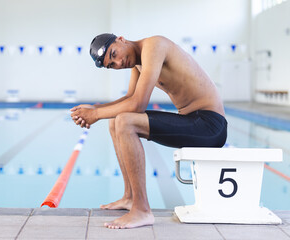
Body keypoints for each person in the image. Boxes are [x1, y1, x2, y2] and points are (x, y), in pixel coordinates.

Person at [70, 33, 227, 229]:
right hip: (193, 120)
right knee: (115, 122)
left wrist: (96, 115)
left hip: (210, 125)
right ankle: (129, 197)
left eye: (114, 54)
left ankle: (142, 209)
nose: (119, 62)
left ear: (121, 39)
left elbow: (138, 104)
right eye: (112, 65)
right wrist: (95, 109)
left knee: (126, 122)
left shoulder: (154, 46)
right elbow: (130, 98)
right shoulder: (137, 63)